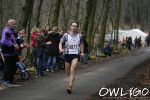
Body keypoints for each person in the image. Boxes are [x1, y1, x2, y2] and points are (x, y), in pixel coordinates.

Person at [59, 22, 84, 94]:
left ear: (77, 27)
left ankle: (70, 86)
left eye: (76, 26)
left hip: (75, 55)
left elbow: (82, 44)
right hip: (67, 55)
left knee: (72, 69)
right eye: (73, 26)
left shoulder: (80, 36)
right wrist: (60, 49)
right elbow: (60, 42)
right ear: (70, 27)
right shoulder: (66, 35)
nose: (74, 27)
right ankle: (71, 79)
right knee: (67, 72)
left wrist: (82, 52)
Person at [0, 19, 19, 87]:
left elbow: (13, 39)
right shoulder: (6, 31)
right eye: (13, 24)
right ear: (9, 24)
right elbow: (3, 41)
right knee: (7, 67)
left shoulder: (12, 31)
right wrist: (13, 44)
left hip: (12, 52)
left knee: (12, 67)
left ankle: (10, 80)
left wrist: (16, 44)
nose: (15, 25)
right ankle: (5, 81)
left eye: (15, 24)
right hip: (7, 52)